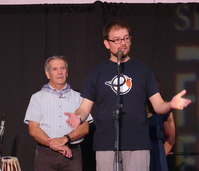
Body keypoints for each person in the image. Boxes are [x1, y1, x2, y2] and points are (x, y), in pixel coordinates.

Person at [65, 20, 191, 171]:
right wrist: (78, 117)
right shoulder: (96, 74)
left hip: (138, 144)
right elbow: (84, 109)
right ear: (107, 43)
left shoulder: (144, 71)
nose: (122, 43)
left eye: (126, 38)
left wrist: (170, 104)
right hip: (106, 144)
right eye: (116, 40)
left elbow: (158, 106)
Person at [24, 55, 93, 171]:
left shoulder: (79, 97)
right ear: (48, 74)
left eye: (62, 68)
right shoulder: (37, 98)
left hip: (72, 155)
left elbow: (85, 127)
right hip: (45, 156)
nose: (59, 72)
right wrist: (56, 145)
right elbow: (33, 129)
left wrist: (65, 139)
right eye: (54, 69)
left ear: (67, 72)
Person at [147, 75, 176, 171]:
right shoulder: (131, 111)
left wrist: (160, 156)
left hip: (156, 157)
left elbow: (170, 139)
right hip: (134, 157)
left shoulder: (164, 112)